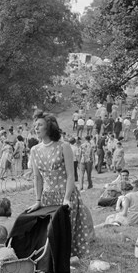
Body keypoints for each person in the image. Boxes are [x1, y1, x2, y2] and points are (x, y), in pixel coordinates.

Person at [27, 111, 94, 259]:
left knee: (66, 231)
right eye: (35, 125)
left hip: (66, 194)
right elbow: (37, 178)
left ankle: (67, 262)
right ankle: (51, 261)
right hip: (47, 197)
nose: (36, 128)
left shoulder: (63, 146)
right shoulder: (34, 150)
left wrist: (67, 198)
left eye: (40, 125)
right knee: (49, 232)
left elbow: (71, 175)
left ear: (49, 127)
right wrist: (38, 201)